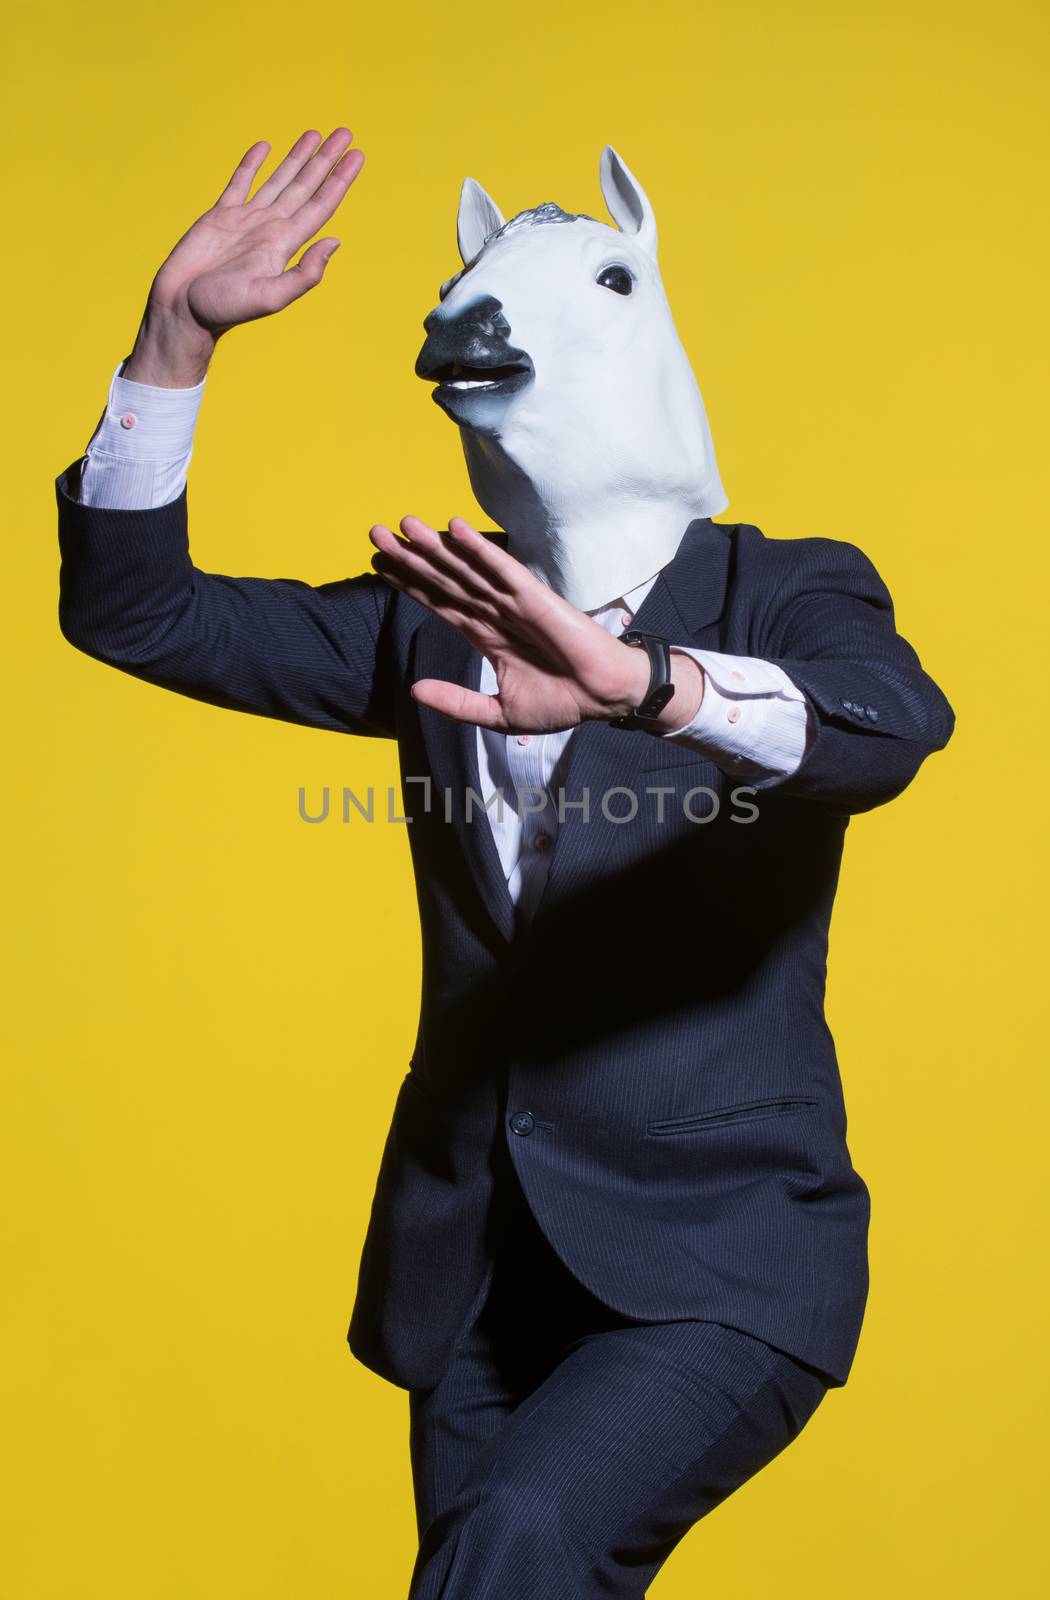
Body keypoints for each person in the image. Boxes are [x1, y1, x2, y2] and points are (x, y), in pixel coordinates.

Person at [55, 127, 955, 1597]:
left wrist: (643, 683)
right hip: (471, 1262)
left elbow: (885, 732)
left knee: (515, 1544)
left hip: (716, 1265)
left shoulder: (776, 588)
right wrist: (170, 347)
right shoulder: (430, 621)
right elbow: (139, 619)